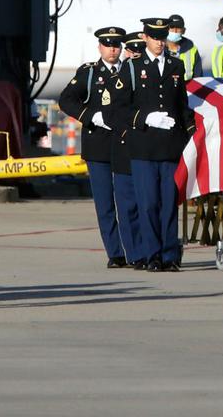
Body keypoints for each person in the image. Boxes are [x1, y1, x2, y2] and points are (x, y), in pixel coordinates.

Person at [104, 18, 195, 272]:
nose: (159, 42)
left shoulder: (176, 66)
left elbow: (182, 106)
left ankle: (169, 256)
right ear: (145, 38)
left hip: (169, 146)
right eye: (154, 37)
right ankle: (152, 254)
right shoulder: (133, 68)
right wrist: (144, 118)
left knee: (168, 203)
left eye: (162, 37)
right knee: (148, 203)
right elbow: (119, 109)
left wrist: (192, 133)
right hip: (143, 146)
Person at [59, 27, 130, 268]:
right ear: (99, 47)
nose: (112, 49)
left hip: (123, 144)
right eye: (108, 45)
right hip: (98, 145)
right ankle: (115, 252)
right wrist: (89, 116)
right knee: (105, 203)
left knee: (128, 201)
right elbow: (66, 99)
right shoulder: (90, 73)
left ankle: (133, 249)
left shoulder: (130, 71)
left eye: (117, 45)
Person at [108, 32, 147, 269]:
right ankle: (134, 253)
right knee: (127, 206)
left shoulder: (149, 77)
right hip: (124, 146)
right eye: (131, 52)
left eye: (137, 53)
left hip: (145, 147)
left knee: (147, 204)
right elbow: (114, 110)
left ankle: (147, 250)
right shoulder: (117, 78)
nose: (133, 56)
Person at [166, 14, 202, 81]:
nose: (175, 31)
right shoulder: (158, 48)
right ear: (166, 29)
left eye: (178, 27)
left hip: (187, 89)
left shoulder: (192, 50)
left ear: (183, 30)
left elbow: (198, 77)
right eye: (172, 27)